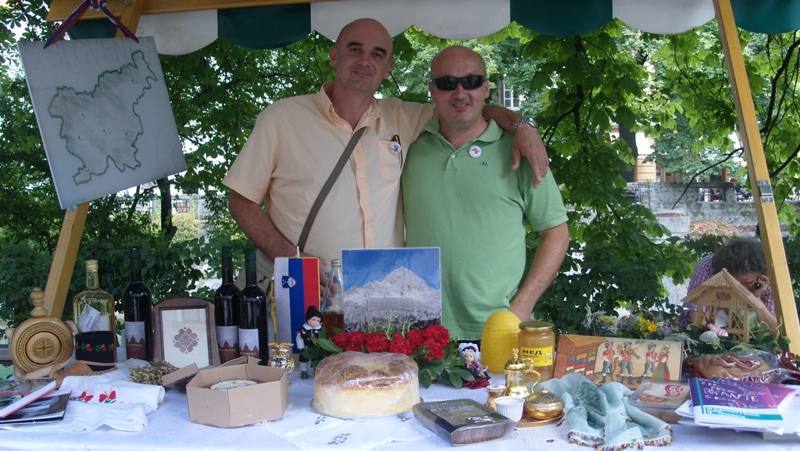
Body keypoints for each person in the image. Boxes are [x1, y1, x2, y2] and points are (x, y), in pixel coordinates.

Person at [223, 18, 550, 293]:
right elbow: (241, 200)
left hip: (376, 298)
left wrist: (522, 125)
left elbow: (465, 106)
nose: (365, 61)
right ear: (334, 55)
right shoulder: (281, 119)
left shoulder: (403, 118)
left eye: (377, 54)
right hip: (300, 288)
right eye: (355, 49)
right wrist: (292, 258)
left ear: (388, 67)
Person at [402, 46, 570, 342]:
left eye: (471, 81)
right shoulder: (408, 146)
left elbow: (556, 233)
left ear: (485, 88)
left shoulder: (521, 151)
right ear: (432, 90)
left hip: (498, 328)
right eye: (447, 83)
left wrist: (522, 306)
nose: (460, 92)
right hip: (420, 328)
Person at [681, 236, 778, 328]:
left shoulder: (767, 276)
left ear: (760, 275)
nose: (740, 288)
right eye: (733, 282)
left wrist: (754, 299)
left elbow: (774, 329)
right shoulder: (705, 268)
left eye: (747, 283)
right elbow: (698, 322)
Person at [296, 306, 322, 378]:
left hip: (316, 348)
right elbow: (299, 338)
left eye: (318, 321)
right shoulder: (302, 330)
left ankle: (316, 370)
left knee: (316, 359)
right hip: (306, 348)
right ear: (308, 319)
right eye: (314, 319)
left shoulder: (320, 330)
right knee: (304, 360)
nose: (316, 322)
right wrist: (301, 346)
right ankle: (304, 371)